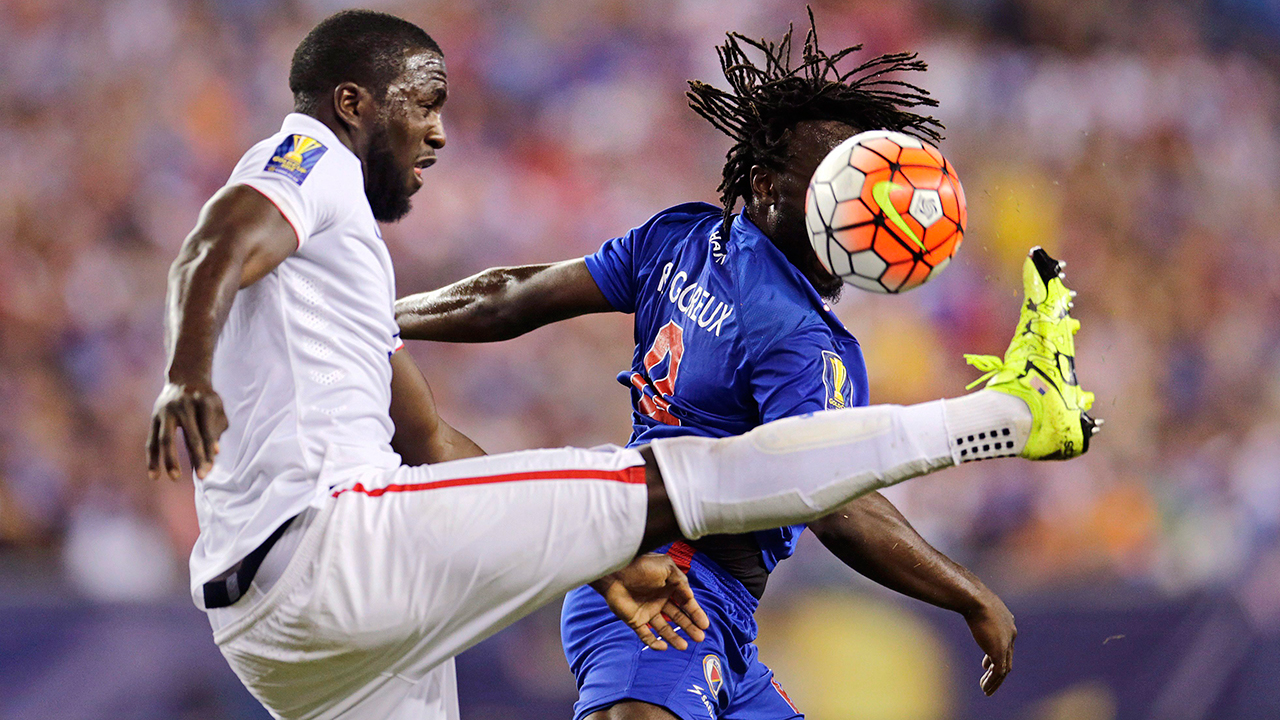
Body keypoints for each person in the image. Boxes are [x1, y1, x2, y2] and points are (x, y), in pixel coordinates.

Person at [146, 9, 1098, 720]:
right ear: (355, 102)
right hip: (383, 556)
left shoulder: (682, 237)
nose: (438, 131)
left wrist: (370, 320)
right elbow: (829, 494)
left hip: (276, 634)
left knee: (661, 486)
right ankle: (1011, 414)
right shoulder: (305, 156)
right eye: (425, 105)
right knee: (675, 476)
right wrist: (186, 371)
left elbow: (451, 402)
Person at [394, 18, 1018, 720]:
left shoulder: (681, 238)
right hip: (671, 591)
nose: (860, 201)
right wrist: (968, 590)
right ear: (766, 183)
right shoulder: (794, 334)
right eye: (834, 183)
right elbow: (835, 504)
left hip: (707, 604)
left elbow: (507, 296)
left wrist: (384, 315)